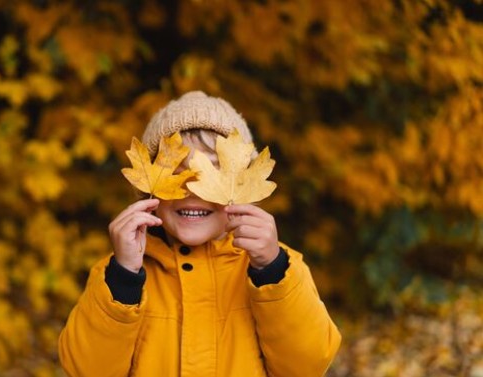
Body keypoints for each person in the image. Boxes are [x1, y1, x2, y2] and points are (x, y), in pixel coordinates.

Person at [58, 91, 341, 377]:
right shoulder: (117, 275)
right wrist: (124, 278)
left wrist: (271, 270)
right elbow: (85, 370)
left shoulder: (281, 269)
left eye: (212, 172)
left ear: (242, 185)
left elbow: (308, 365)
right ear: (149, 189)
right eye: (177, 173)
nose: (193, 191)